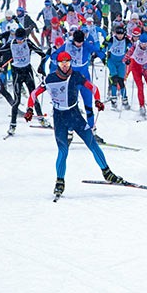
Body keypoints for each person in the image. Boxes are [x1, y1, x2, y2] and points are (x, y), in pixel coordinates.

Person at [26, 52, 119, 198]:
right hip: (59, 117)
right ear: (57, 63)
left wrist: (98, 101)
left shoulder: (76, 76)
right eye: (62, 62)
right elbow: (33, 94)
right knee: (63, 151)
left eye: (67, 62)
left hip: (75, 115)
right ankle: (59, 182)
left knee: (92, 143)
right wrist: (29, 109)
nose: (65, 65)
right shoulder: (50, 79)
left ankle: (107, 172)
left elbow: (93, 88)